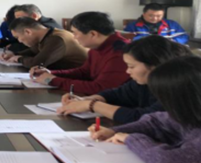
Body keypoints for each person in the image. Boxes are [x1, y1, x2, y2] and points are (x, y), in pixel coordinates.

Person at [56, 36, 191, 124]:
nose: (127, 71)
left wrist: (92, 105)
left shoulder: (178, 88)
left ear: (155, 65)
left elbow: (145, 118)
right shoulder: (144, 82)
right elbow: (118, 94)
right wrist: (88, 99)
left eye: (131, 66)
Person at [32, 12, 130, 95]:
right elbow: (84, 72)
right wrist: (51, 73)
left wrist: (53, 80)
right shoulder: (97, 46)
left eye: (75, 33)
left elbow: (101, 88)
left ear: (93, 34)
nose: (74, 37)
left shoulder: (120, 53)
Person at [5, 17, 87, 70]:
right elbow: (33, 51)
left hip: (80, 78)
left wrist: (19, 59)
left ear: (28, 32)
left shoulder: (57, 39)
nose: (19, 41)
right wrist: (14, 54)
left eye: (18, 37)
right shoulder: (45, 35)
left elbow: (37, 64)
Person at [124, 3, 189, 45]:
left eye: (158, 16)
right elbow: (126, 39)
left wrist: (172, 41)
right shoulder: (133, 26)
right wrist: (148, 41)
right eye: (151, 15)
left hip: (167, 50)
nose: (154, 18)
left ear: (163, 15)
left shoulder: (172, 24)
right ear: (144, 14)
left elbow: (184, 36)